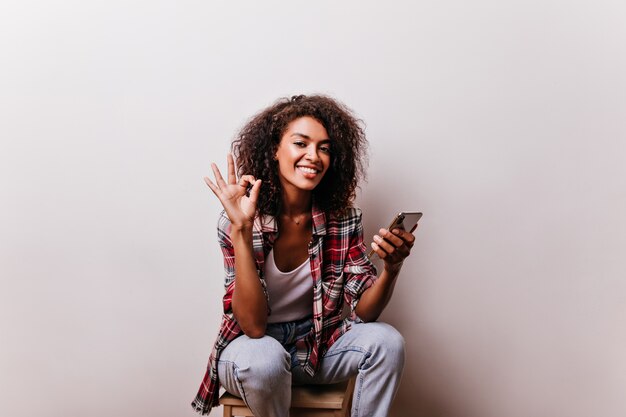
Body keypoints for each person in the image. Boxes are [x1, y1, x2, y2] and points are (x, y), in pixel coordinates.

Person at [191, 95, 417, 417]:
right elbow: (253, 327)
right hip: (251, 353)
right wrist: (241, 230)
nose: (314, 156)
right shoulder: (240, 219)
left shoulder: (343, 219)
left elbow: (364, 313)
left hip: (315, 347)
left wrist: (391, 269)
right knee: (265, 360)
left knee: (387, 341)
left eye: (324, 148)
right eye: (301, 143)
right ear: (274, 150)